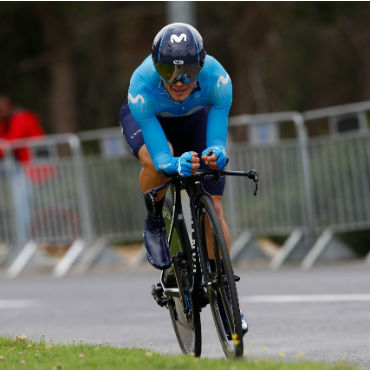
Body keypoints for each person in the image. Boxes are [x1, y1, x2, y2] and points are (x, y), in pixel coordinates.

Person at [119, 23, 247, 336]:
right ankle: (154, 219)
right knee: (156, 162)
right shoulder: (142, 83)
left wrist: (216, 154)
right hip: (151, 124)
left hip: (194, 121)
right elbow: (165, 159)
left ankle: (225, 293)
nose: (179, 81)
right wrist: (176, 163)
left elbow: (217, 141)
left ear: (201, 66)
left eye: (189, 71)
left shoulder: (218, 79)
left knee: (214, 206)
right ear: (155, 65)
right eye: (168, 70)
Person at [0, 94, 46, 245]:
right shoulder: (6, 121)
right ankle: (22, 240)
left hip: (31, 169)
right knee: (20, 203)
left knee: (22, 204)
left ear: (10, 105)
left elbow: (10, 143)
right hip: (19, 168)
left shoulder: (22, 118)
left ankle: (25, 242)